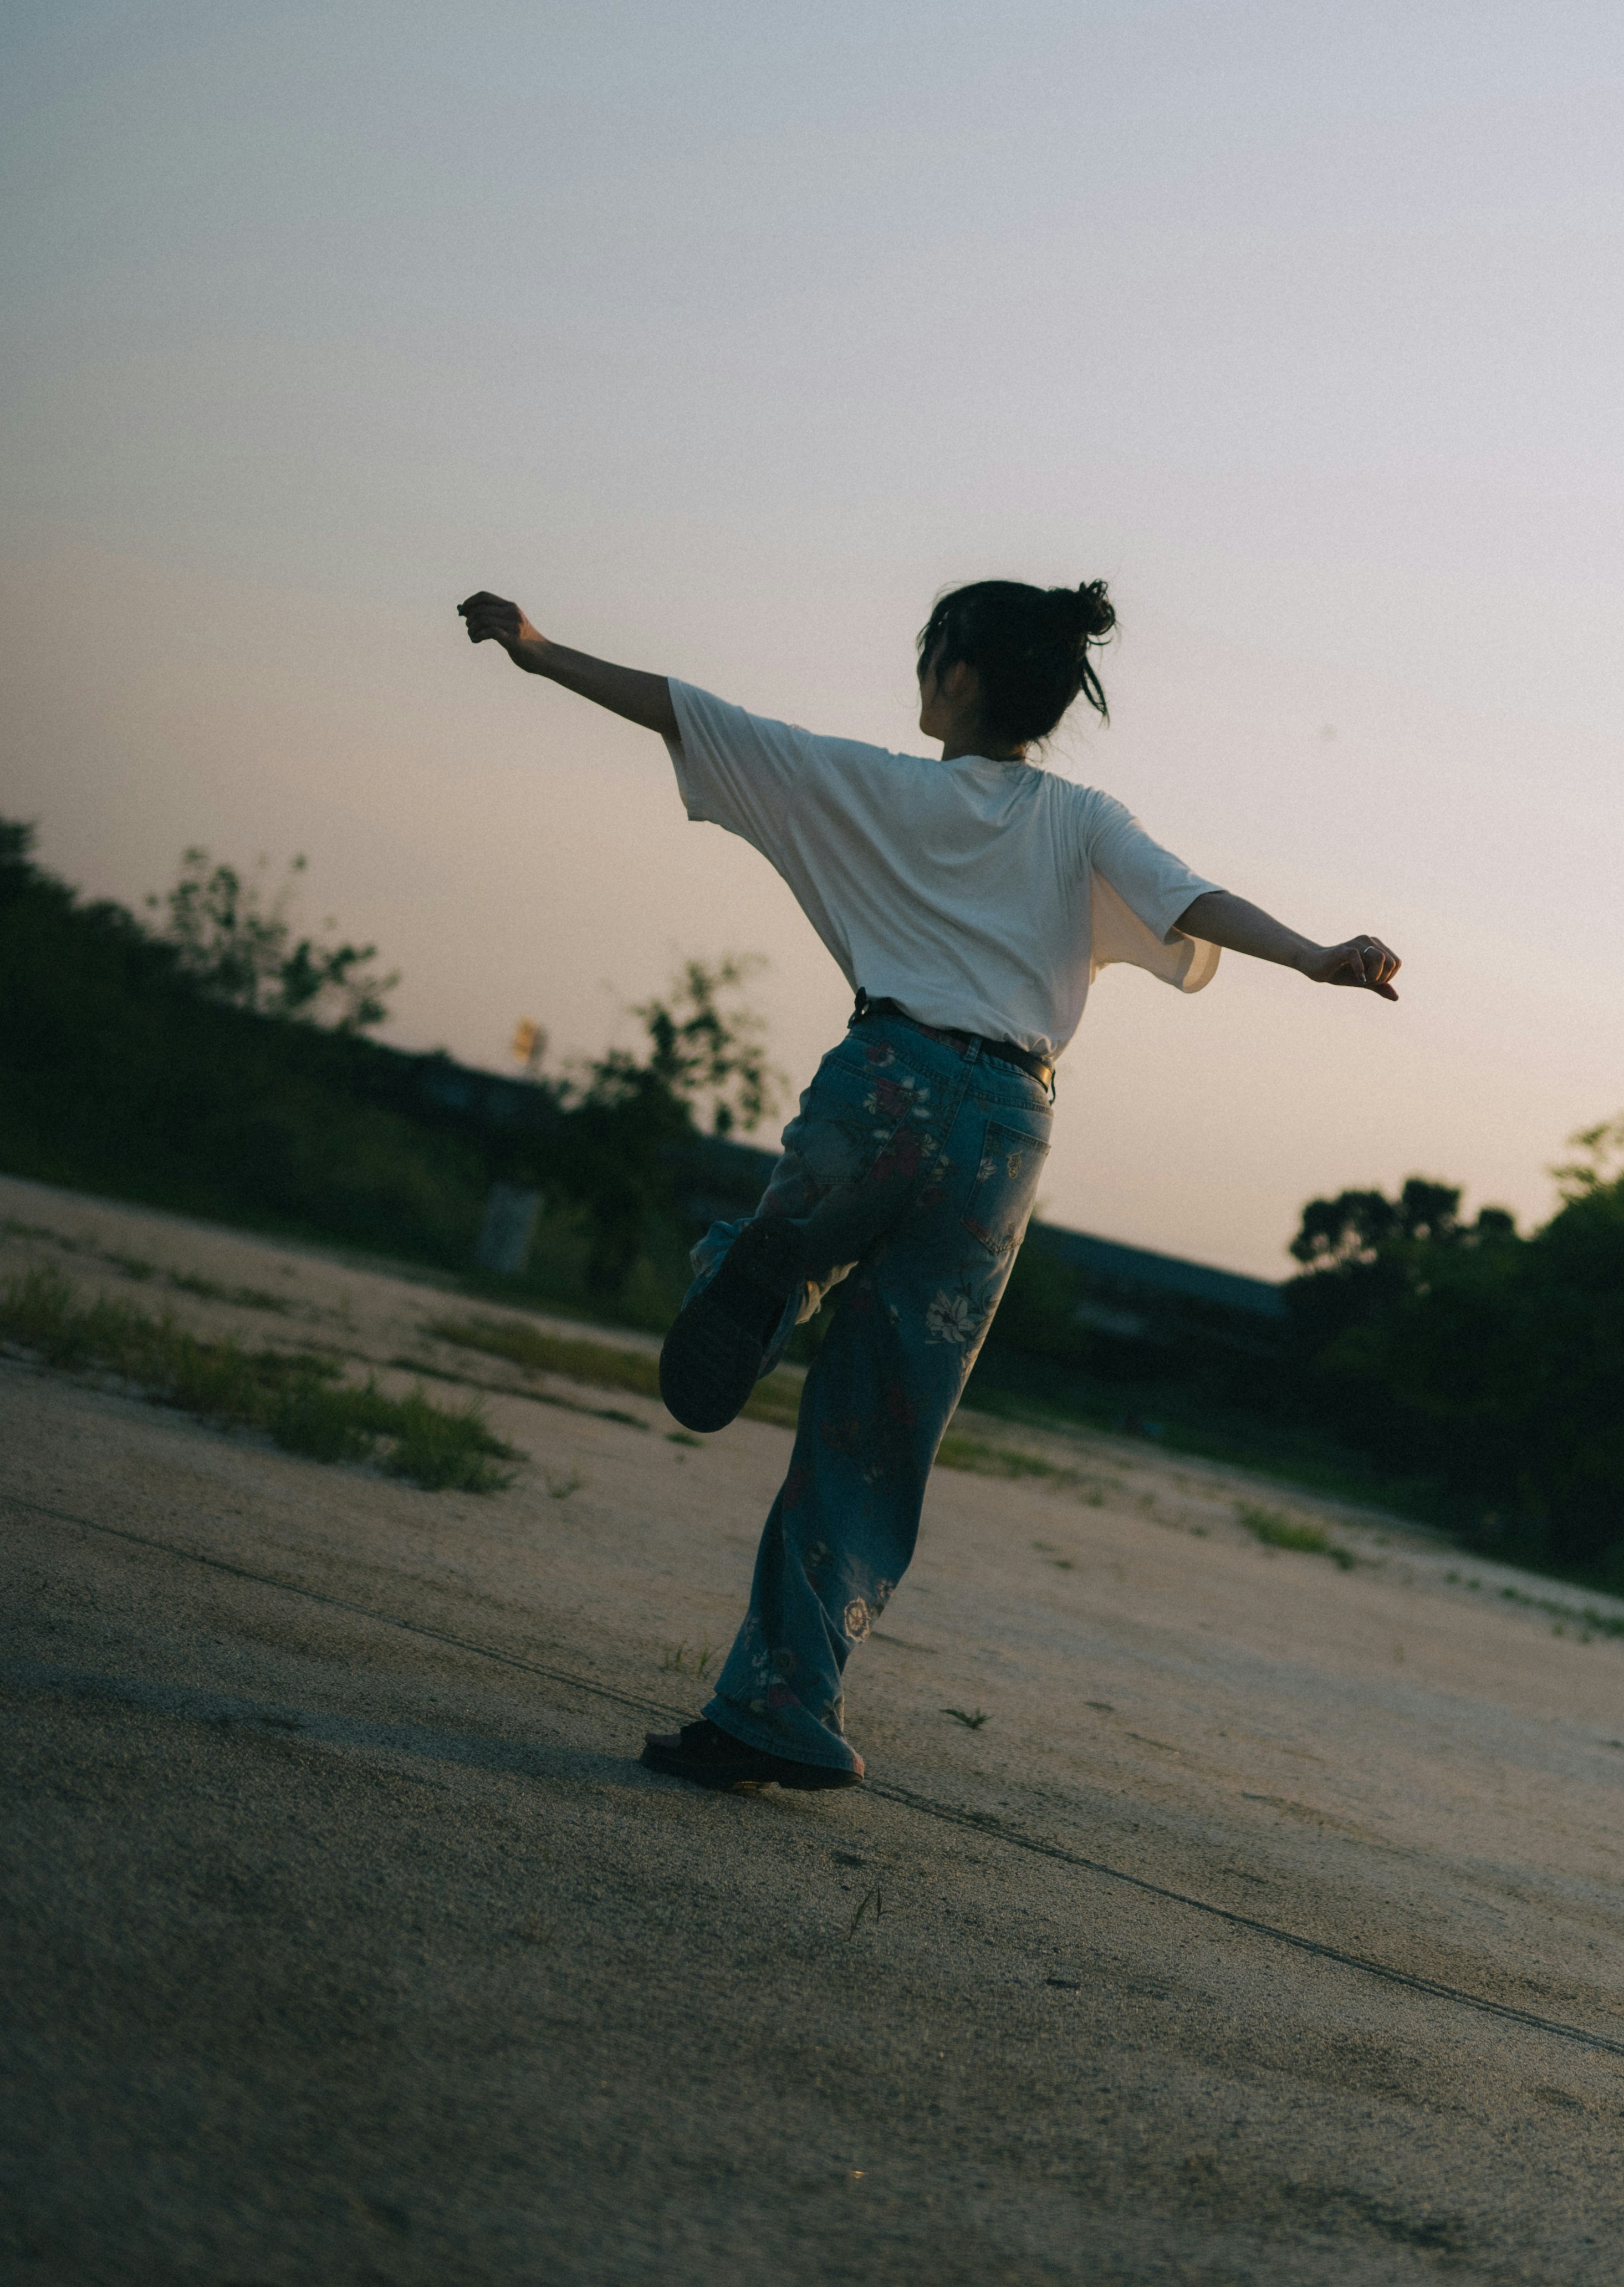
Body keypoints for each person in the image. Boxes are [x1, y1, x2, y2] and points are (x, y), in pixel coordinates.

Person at [458, 577, 1399, 1795]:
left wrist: (538, 653)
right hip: (1008, 1129)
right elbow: (1189, 899)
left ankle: (757, 1284)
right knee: (880, 1429)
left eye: (926, 654)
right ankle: (781, 1708)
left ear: (955, 673)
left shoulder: (874, 782)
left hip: (885, 1084)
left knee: (777, 1250)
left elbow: (687, 713)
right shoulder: (1083, 818)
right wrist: (1320, 955)